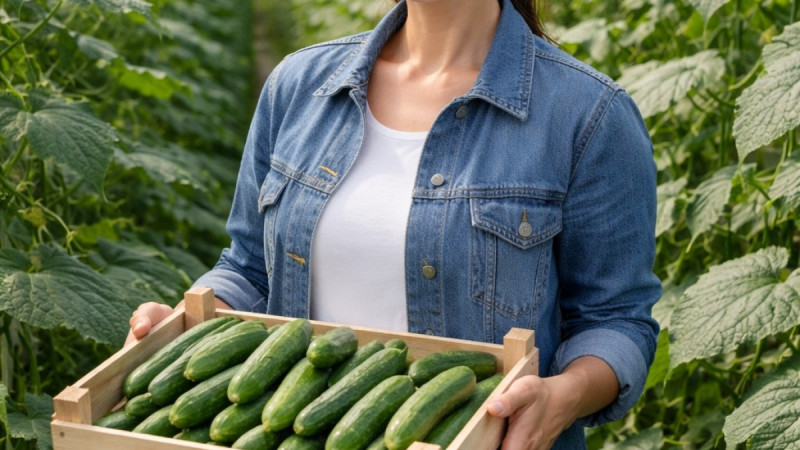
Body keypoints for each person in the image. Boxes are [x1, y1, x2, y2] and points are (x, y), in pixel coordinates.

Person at [127, 0, 661, 448]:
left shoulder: (589, 115)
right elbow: (246, 267)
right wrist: (182, 327)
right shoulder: (300, 85)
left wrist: (562, 396)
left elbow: (615, 321)